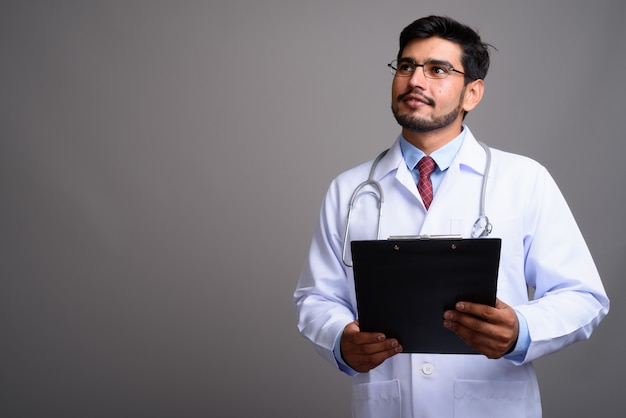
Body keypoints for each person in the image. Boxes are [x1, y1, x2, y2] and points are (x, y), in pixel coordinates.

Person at [293, 15, 609, 418]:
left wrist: (521, 331)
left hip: (491, 405)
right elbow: (316, 297)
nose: (415, 81)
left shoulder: (525, 179)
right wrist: (340, 339)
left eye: (437, 70)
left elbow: (583, 296)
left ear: (472, 93)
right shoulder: (349, 189)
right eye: (406, 66)